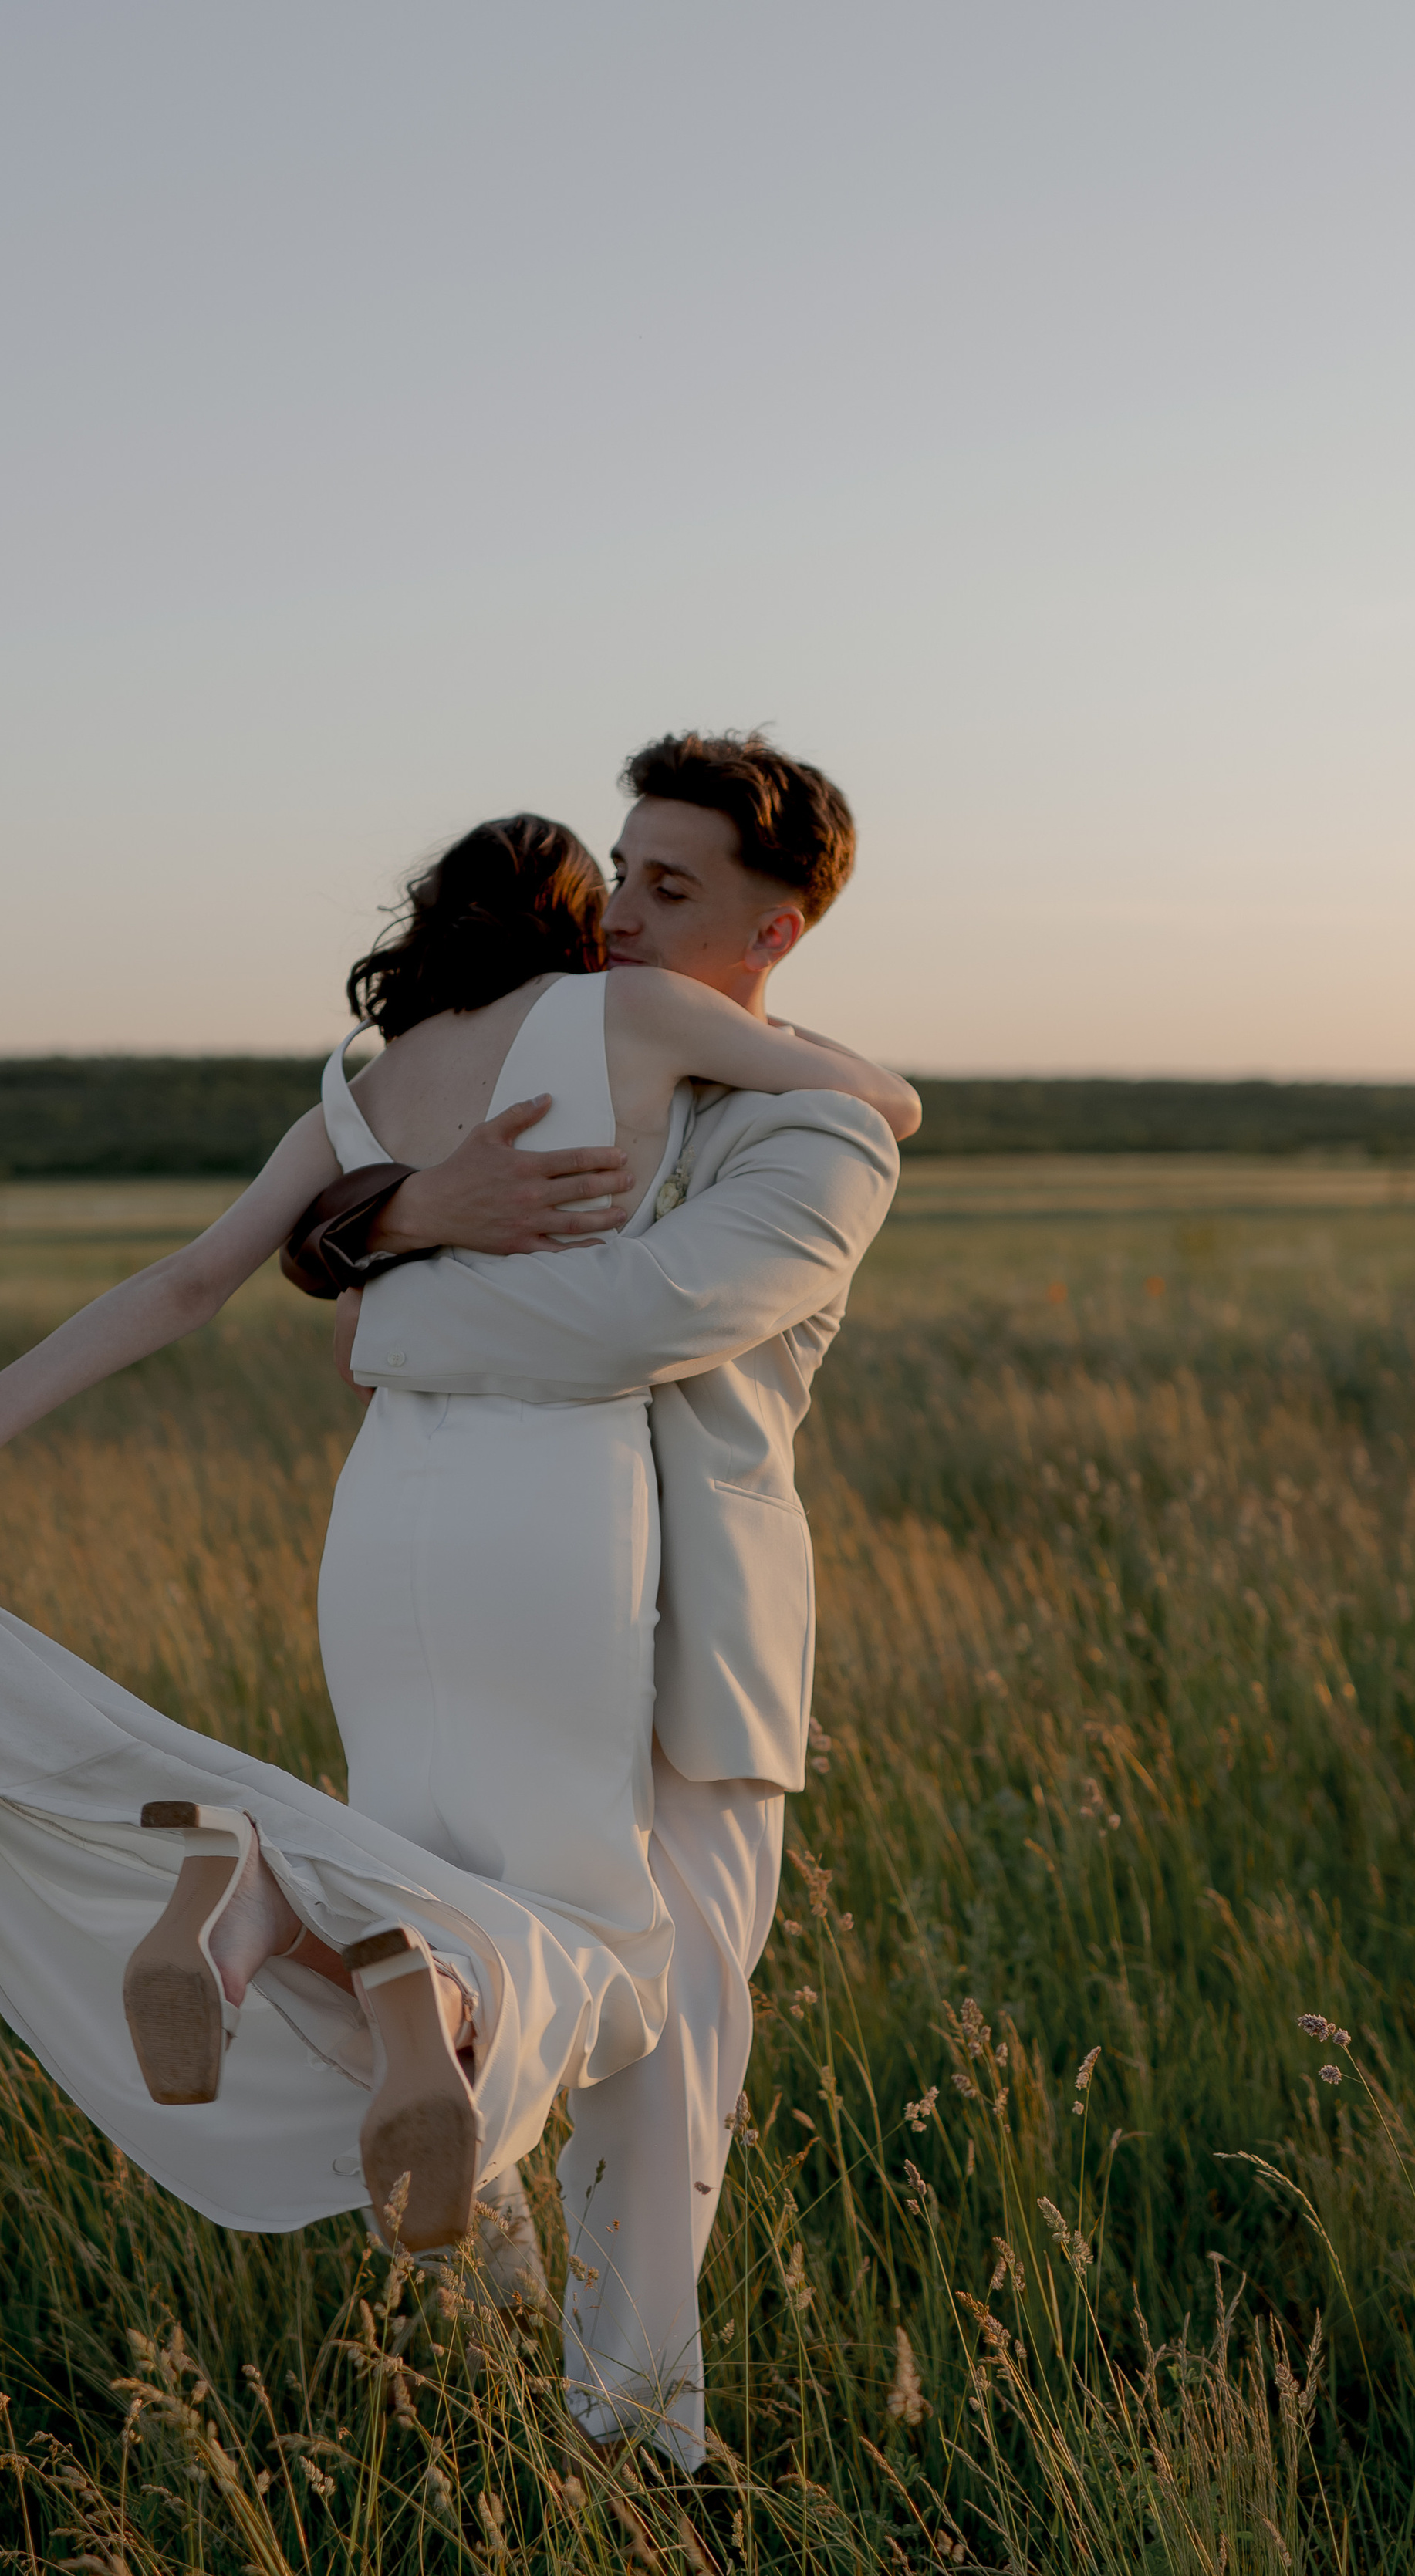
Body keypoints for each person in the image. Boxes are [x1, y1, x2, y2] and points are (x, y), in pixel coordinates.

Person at [0, 774, 914, 2269]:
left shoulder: (363, 1093)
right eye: (615, 887)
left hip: (384, 1522)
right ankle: (322, 1929)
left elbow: (184, 1287)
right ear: (571, 920)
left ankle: (281, 1924)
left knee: (422, 1882)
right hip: (554, 1514)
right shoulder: (630, 1016)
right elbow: (883, 1101)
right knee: (610, 1952)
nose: (626, 918)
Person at [306, 731, 910, 2461]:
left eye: (670, 885)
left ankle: (636, 2441)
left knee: (665, 2051)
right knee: (434, 1966)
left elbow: (638, 1320)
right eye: (621, 870)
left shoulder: (818, 1128)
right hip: (503, 1610)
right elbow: (336, 1205)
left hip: (693, 1647)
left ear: (775, 928)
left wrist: (385, 1297)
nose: (619, 911)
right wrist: (384, 1215)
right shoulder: (550, 1059)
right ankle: (482, 2379)